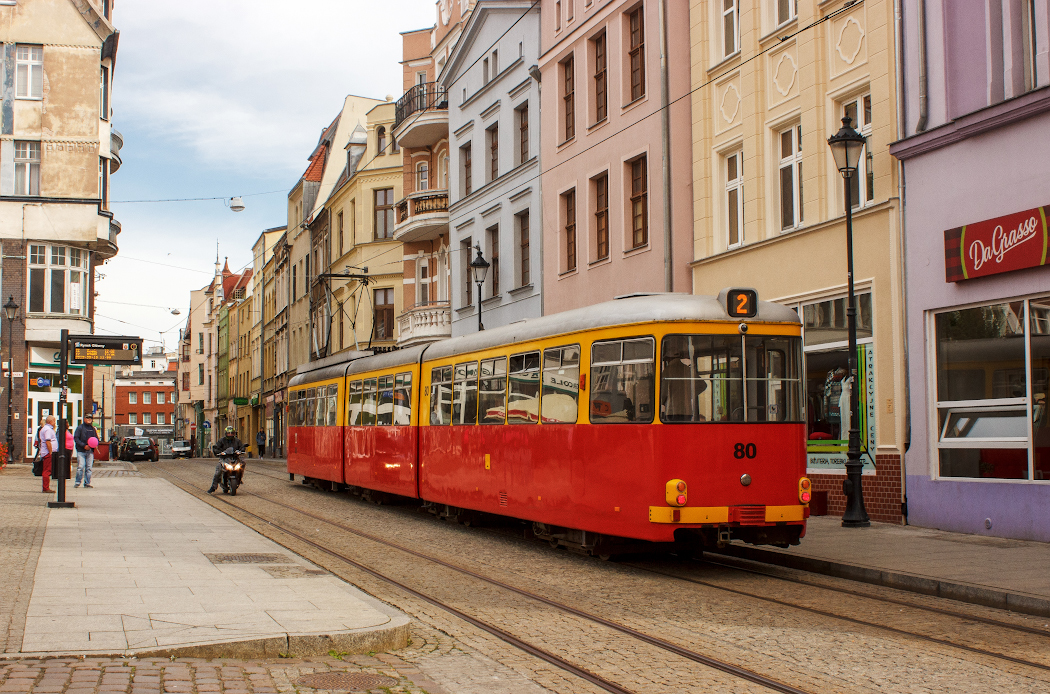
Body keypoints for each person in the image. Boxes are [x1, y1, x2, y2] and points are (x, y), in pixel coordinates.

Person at [207, 425, 244, 493]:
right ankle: (213, 487)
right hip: (224, 458)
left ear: (234, 434)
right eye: (228, 433)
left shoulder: (237, 441)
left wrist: (240, 451)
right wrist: (220, 452)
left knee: (242, 463)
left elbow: (241, 447)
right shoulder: (222, 440)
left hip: (235, 458)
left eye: (232, 433)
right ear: (226, 433)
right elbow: (216, 447)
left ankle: (240, 477)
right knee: (218, 471)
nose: (230, 435)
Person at [74, 415, 99, 488]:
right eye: (87, 418)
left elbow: (96, 438)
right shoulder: (80, 428)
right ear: (84, 419)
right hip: (81, 451)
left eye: (90, 418)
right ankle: (77, 482)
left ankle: (87, 483)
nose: (89, 419)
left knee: (89, 468)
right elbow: (76, 438)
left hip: (90, 451)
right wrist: (83, 445)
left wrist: (95, 445)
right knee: (80, 466)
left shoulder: (92, 429)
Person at [38, 415, 58, 493]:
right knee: (47, 470)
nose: (55, 423)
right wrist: (50, 452)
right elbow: (48, 441)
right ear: (50, 421)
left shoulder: (45, 429)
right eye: (54, 421)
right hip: (47, 452)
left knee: (47, 469)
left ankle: (46, 487)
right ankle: (46, 487)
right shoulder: (48, 430)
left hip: (46, 452)